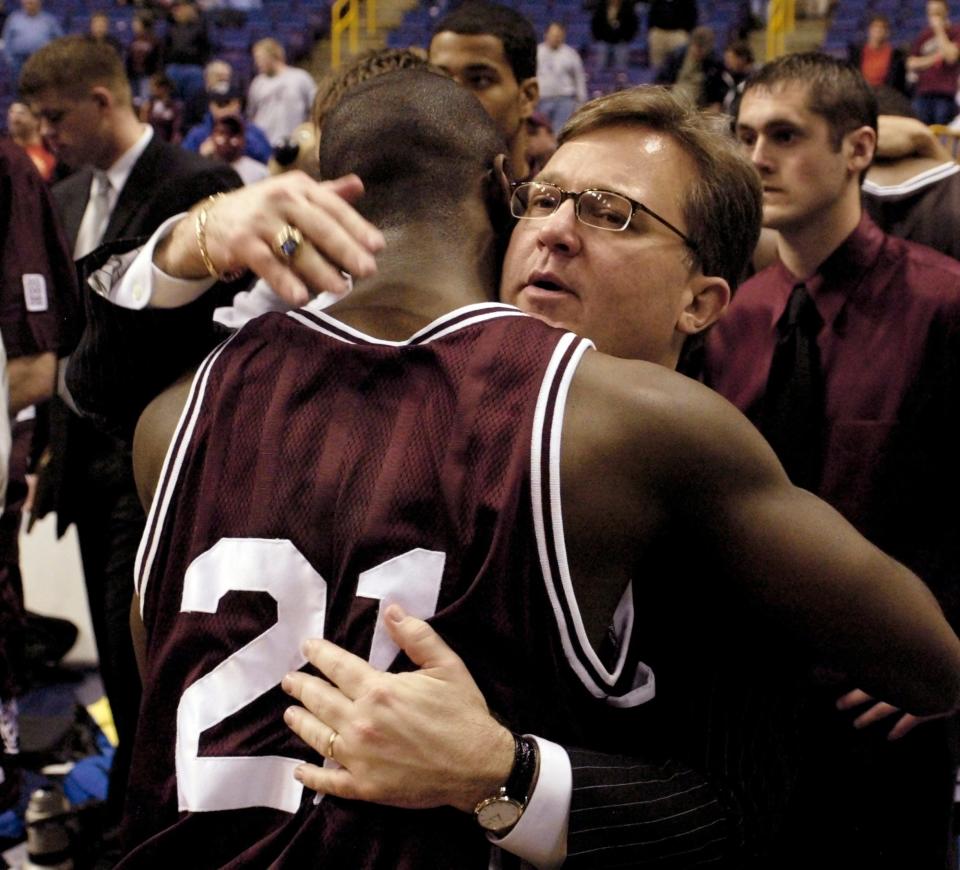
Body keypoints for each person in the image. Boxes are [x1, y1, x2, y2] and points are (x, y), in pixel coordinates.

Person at [85, 78, 960, 867]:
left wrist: (507, 776)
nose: (556, 229)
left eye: (611, 212)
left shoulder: (697, 460)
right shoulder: (333, 392)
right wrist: (192, 239)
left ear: (702, 300)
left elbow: (735, 813)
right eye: (539, 199)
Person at [710, 51, 960, 868]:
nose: (756, 158)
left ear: (858, 149)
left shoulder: (944, 303)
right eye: (746, 135)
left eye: (785, 135)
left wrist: (951, 652)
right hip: (750, 711)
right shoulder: (734, 318)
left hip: (893, 705)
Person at [17, 33, 240, 831]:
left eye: (54, 118)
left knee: (152, 665)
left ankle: (157, 824)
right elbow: (61, 342)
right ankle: (129, 813)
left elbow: (197, 337)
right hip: (83, 464)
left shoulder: (196, 181)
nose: (46, 135)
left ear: (102, 101)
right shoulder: (68, 195)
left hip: (155, 466)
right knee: (117, 670)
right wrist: (45, 453)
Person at [428, 0, 539, 181]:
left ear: (527, 97)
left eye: (479, 80)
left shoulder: (564, 205)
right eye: (440, 78)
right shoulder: (404, 203)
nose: (453, 97)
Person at [246, 37, 316, 145]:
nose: (257, 63)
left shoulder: (300, 77)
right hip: (265, 144)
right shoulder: (257, 83)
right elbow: (252, 115)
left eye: (259, 58)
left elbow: (314, 107)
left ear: (274, 56)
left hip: (293, 142)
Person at [182, 84, 272, 164]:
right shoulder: (197, 135)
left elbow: (268, 161)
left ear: (238, 104)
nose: (224, 110)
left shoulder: (253, 132)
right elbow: (184, 165)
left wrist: (240, 146)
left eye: (228, 103)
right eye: (219, 104)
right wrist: (201, 157)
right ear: (211, 106)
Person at [908, 0, 960, 124]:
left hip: (946, 94)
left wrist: (939, 30)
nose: (934, 17)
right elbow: (911, 63)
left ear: (946, 12)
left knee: (942, 133)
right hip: (923, 93)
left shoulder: (956, 31)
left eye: (938, 13)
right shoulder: (923, 35)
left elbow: (951, 57)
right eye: (931, 13)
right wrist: (936, 57)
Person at [655, 25, 726, 110]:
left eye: (702, 50)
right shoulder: (677, 56)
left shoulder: (715, 63)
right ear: (690, 44)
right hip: (674, 99)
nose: (697, 52)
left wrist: (716, 103)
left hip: (700, 105)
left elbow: (719, 89)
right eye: (695, 47)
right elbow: (661, 79)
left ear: (709, 48)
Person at [535, 22, 586, 132]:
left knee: (560, 131)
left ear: (563, 36)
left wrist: (581, 99)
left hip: (564, 100)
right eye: (553, 35)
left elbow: (579, 77)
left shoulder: (570, 54)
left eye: (558, 35)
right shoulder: (537, 52)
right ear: (546, 34)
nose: (555, 38)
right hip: (542, 99)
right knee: (541, 131)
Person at [849, 14, 908, 98]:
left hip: (886, 96)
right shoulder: (857, 53)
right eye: (875, 27)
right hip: (862, 94)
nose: (878, 31)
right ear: (869, 30)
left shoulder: (896, 56)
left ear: (888, 32)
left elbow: (900, 82)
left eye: (882, 28)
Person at [0, 0, 61, 80]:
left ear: (40, 2)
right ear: (22, 2)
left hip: (43, 64)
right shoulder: (13, 19)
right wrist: (11, 62)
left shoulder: (49, 21)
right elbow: (6, 43)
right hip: (19, 65)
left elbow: (60, 43)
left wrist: (51, 61)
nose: (30, 2)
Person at [208, 113, 269, 184]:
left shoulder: (259, 173)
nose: (227, 139)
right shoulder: (205, 172)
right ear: (212, 137)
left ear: (243, 139)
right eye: (222, 133)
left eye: (233, 134)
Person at [6, 101, 56, 181]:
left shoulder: (53, 149)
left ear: (36, 121)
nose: (13, 117)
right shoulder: (7, 156)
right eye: (11, 113)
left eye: (21, 113)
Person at [646, 0, 697, 69]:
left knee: (681, 65)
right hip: (658, 33)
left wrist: (686, 32)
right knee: (656, 66)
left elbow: (692, 14)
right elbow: (652, 12)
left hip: (678, 34)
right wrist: (651, 31)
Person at [590, 0, 638, 72]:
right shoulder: (601, 7)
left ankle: (621, 80)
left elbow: (633, 24)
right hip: (604, 40)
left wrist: (627, 38)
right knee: (600, 65)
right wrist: (598, 37)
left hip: (621, 41)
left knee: (621, 68)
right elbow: (595, 23)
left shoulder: (627, 8)